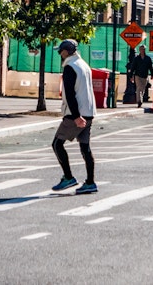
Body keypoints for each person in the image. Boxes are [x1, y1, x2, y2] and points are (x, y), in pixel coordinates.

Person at [51, 39, 98, 195]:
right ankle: (90, 182)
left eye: (60, 51)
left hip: (75, 114)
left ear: (66, 51)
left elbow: (70, 94)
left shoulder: (70, 67)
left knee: (57, 144)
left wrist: (76, 116)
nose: (59, 54)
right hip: (89, 111)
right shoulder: (84, 65)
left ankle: (69, 177)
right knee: (85, 147)